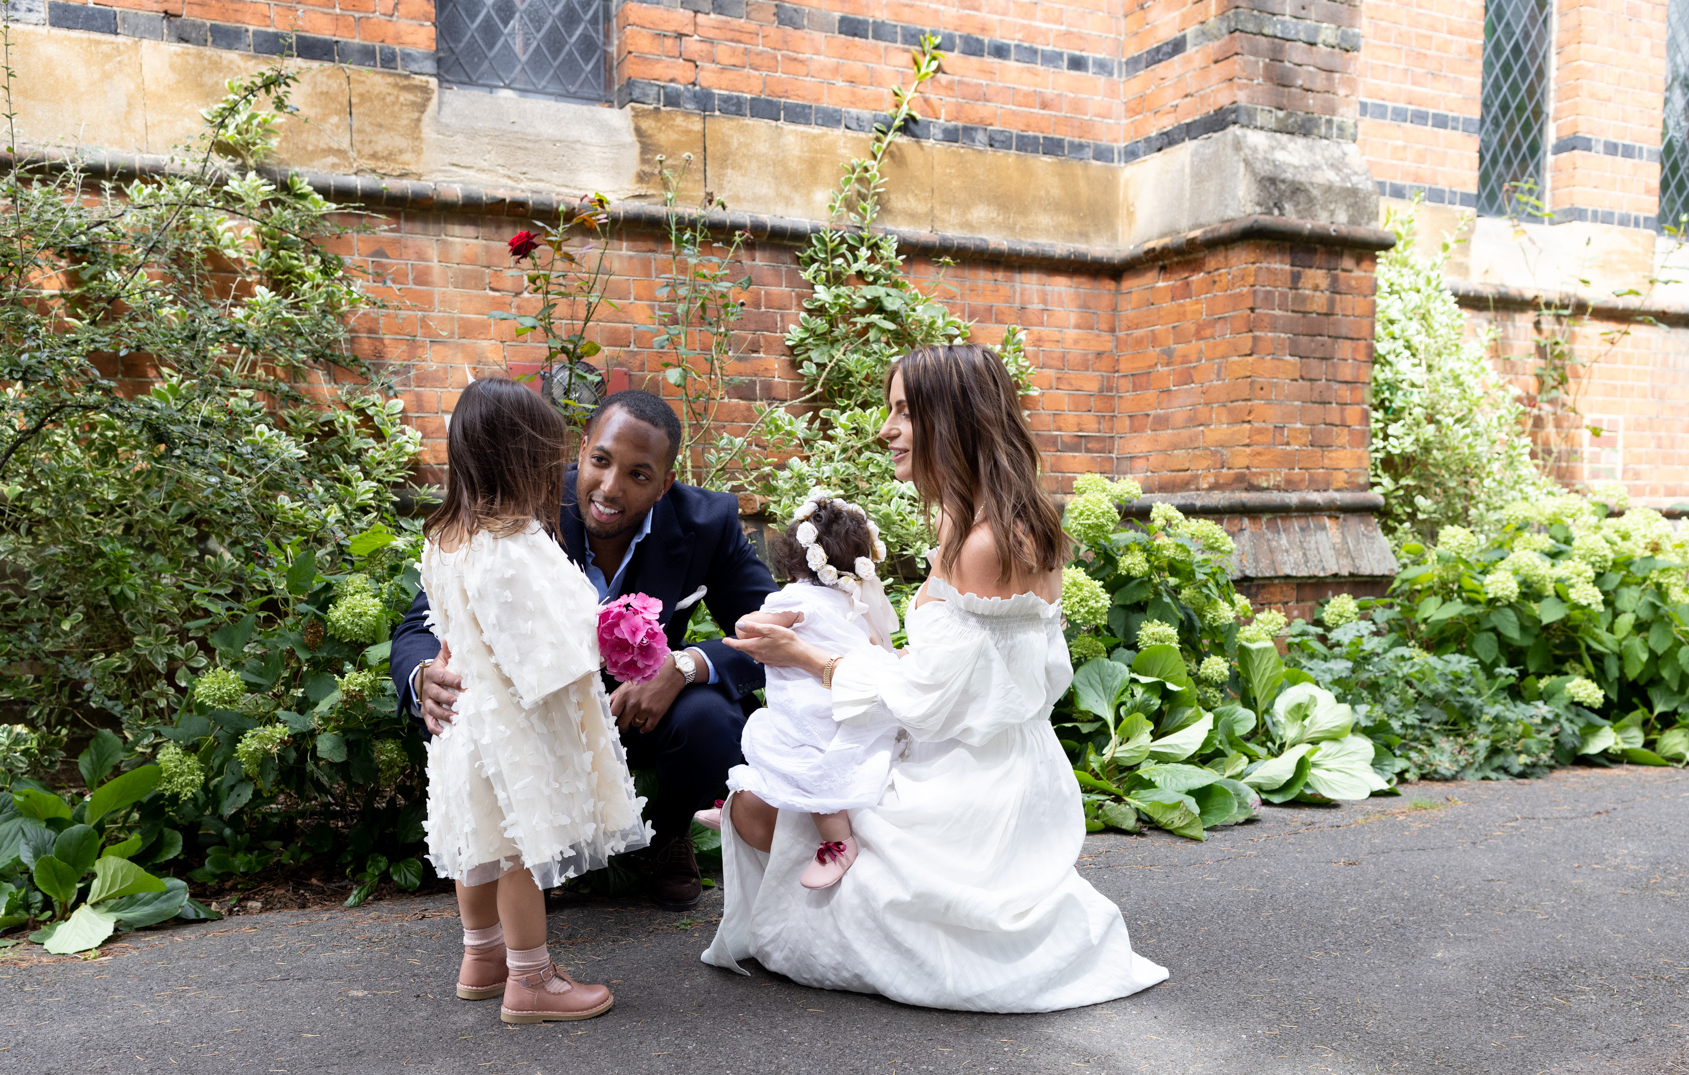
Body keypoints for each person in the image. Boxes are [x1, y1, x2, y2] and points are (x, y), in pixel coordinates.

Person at [705, 343, 1169, 1013]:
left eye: (901, 412)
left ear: (949, 419)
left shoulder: (983, 542)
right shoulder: (997, 521)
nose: (885, 429)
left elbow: (927, 703)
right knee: (775, 797)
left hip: (970, 789)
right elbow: (976, 679)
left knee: (757, 804)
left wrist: (807, 659)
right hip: (1007, 768)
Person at [391, 388, 778, 908]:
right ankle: (531, 859)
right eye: (601, 461)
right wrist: (421, 676)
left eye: (638, 475)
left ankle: (666, 836)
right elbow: (426, 616)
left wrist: (685, 666)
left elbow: (772, 633)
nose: (610, 488)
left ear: (664, 485)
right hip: (538, 716)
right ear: (581, 451)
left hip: (642, 712)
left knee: (711, 719)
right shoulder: (521, 503)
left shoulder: (708, 523)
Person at [414, 378, 648, 1023]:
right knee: (518, 848)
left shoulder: (446, 538)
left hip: (467, 720)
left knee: (480, 839)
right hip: (516, 721)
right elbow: (545, 642)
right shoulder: (515, 545)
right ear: (520, 458)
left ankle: (482, 956)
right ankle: (531, 979)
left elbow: (455, 630)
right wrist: (613, 637)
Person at [696, 493, 902, 891]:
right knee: (787, 756)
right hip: (843, 701)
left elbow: (746, 628)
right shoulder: (853, 604)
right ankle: (743, 803)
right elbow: (879, 650)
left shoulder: (795, 599)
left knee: (803, 766)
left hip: (806, 708)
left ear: (792, 561)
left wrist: (754, 620)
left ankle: (838, 843)